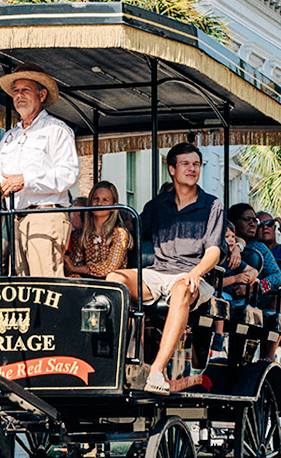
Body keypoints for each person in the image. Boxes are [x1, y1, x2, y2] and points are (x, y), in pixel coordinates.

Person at [115, 142, 224, 394]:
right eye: (185, 164)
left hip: (191, 276)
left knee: (181, 289)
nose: (192, 169)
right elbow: (135, 235)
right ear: (172, 169)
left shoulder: (212, 205)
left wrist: (196, 272)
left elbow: (214, 251)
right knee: (114, 278)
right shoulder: (157, 206)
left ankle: (156, 371)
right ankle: (114, 362)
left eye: (196, 164)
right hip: (156, 274)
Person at [0, 67, 79, 277]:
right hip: (15, 218)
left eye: (26, 90)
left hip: (45, 216)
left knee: (45, 287)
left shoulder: (56, 130)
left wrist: (26, 180)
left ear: (41, 95)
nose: (19, 95)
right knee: (23, 288)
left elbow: (68, 174)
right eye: (16, 91)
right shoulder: (9, 137)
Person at [64, 182, 131, 279]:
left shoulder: (119, 234)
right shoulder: (79, 235)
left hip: (111, 284)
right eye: (96, 199)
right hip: (86, 283)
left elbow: (109, 268)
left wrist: (76, 269)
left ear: (114, 206)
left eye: (105, 200)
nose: (99, 203)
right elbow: (71, 266)